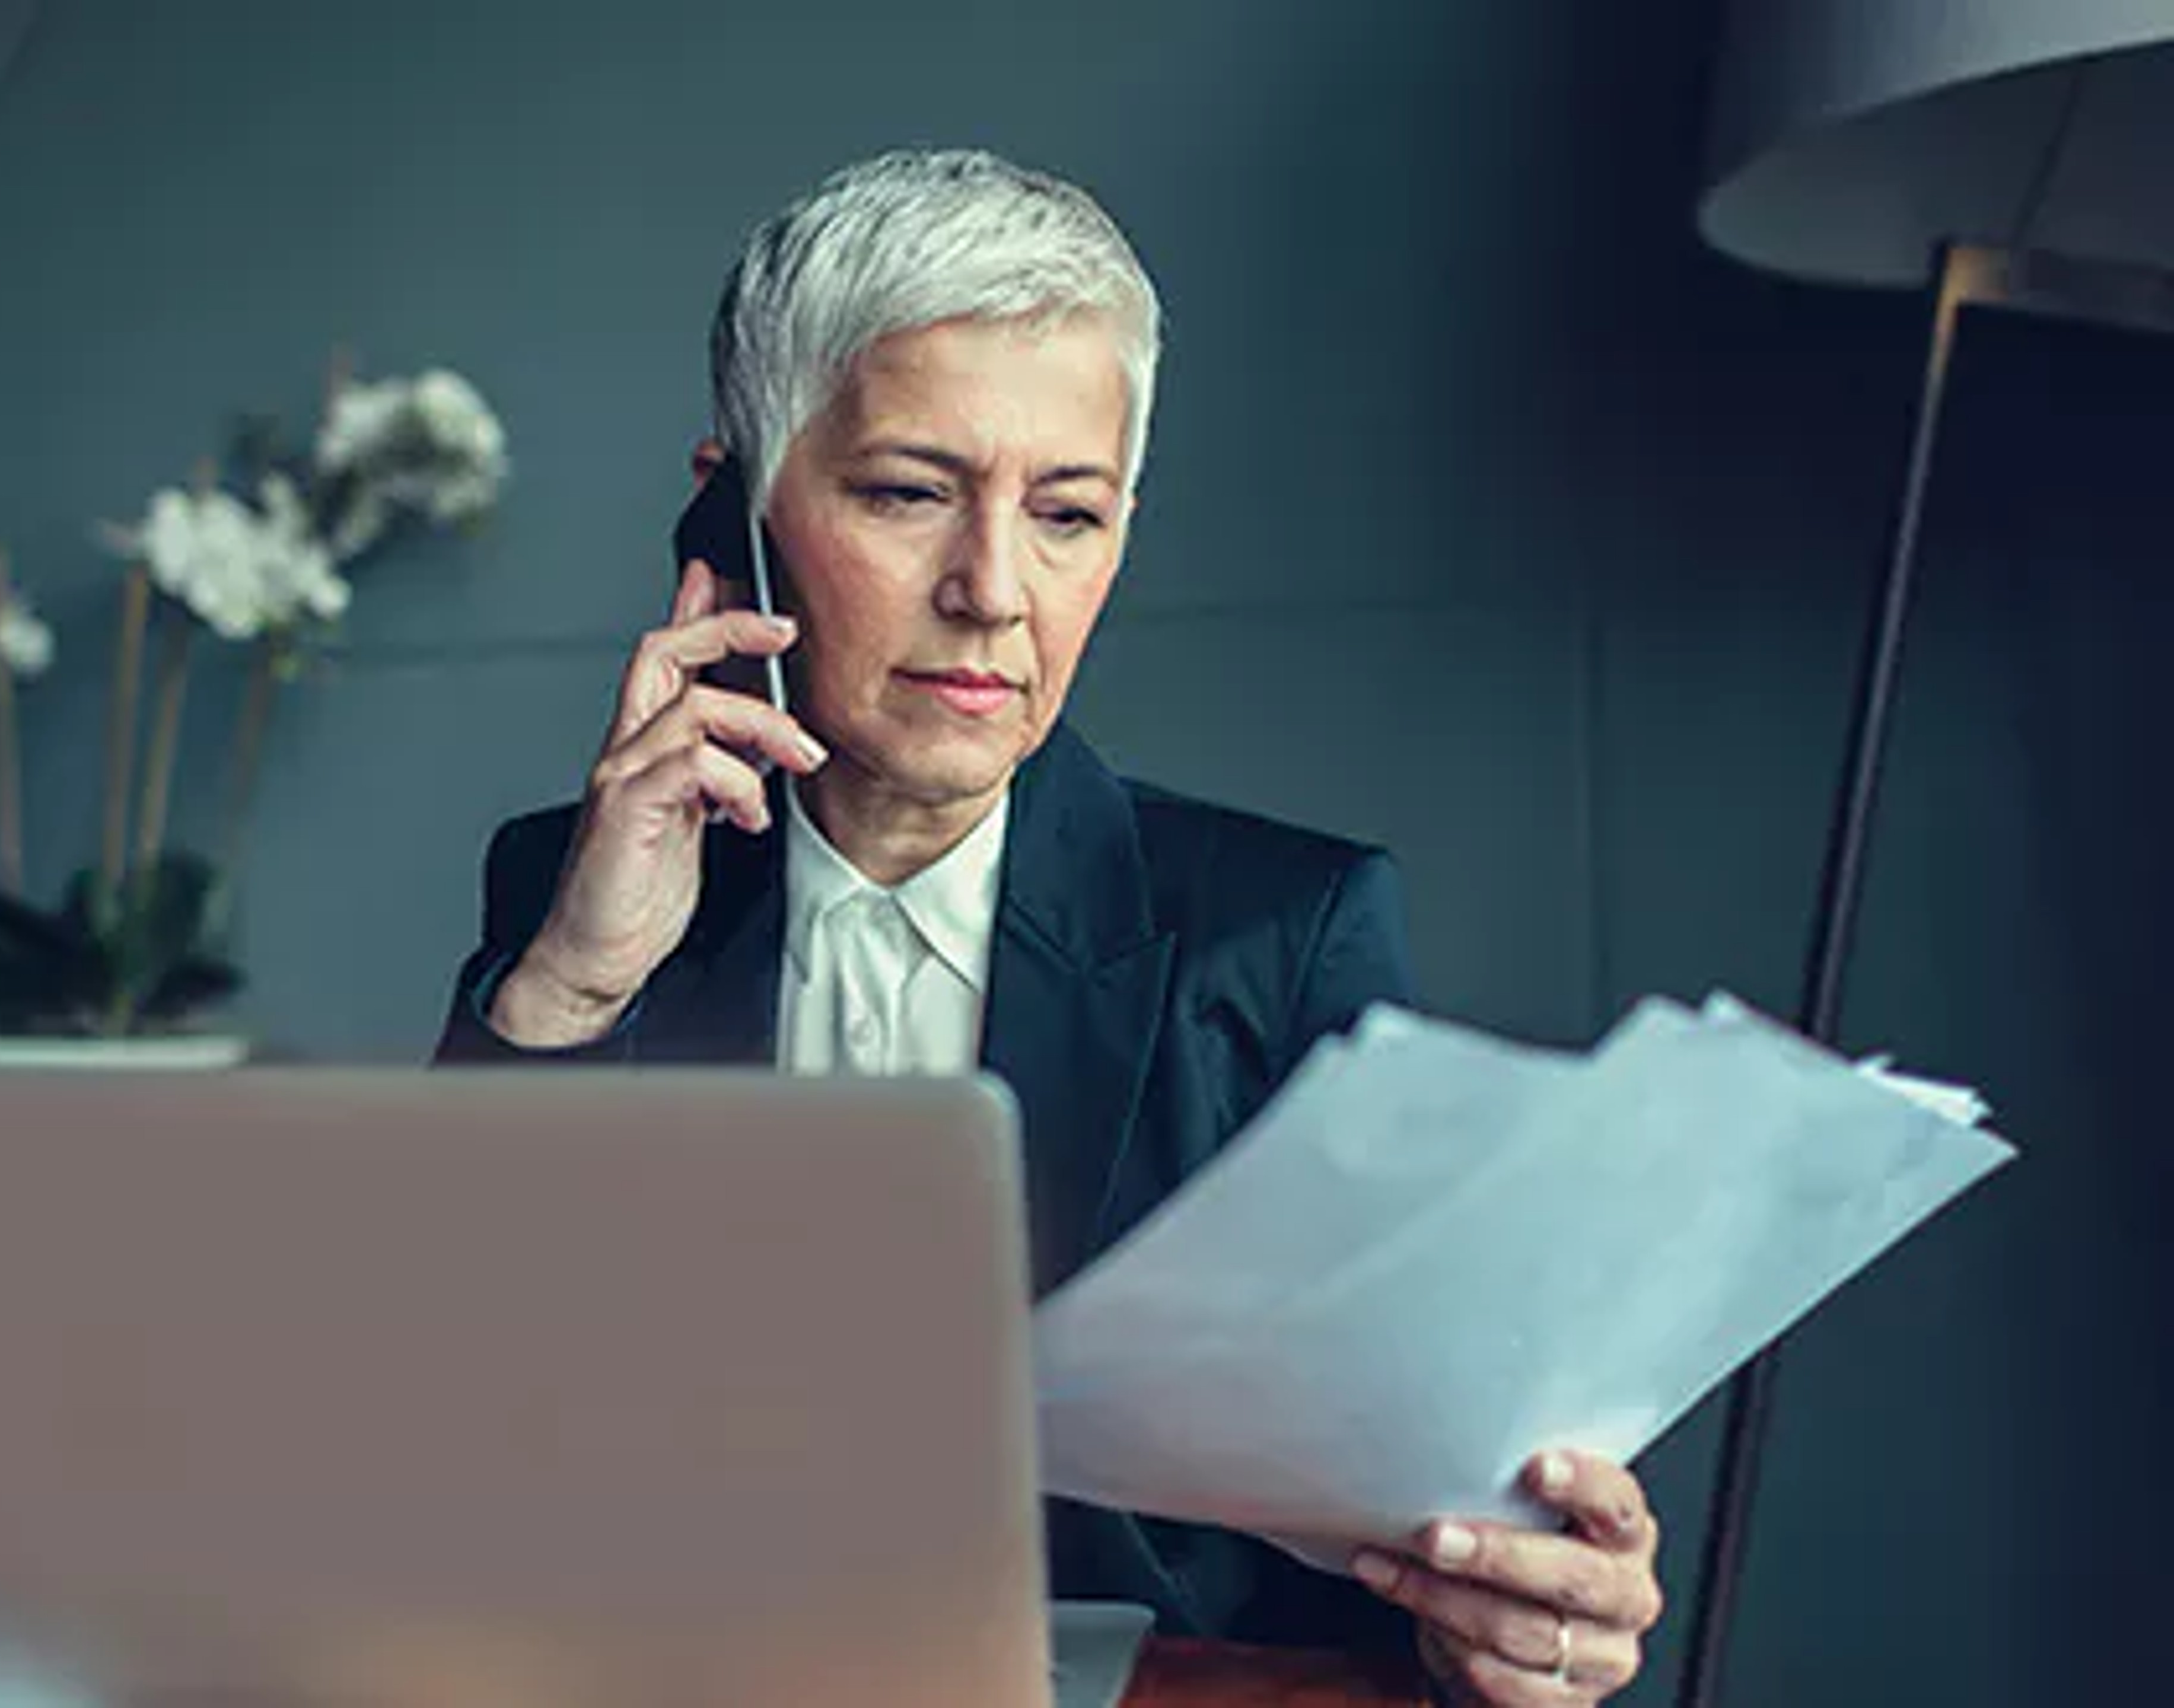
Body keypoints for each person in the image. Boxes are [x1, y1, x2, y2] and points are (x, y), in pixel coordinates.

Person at [435, 148, 1663, 1704]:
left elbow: (1433, 1516)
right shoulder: (569, 891)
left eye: (1067, 515)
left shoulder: (1280, 937)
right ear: (736, 510)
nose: (993, 591)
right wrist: (571, 986)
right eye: (907, 494)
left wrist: (1520, 1610)